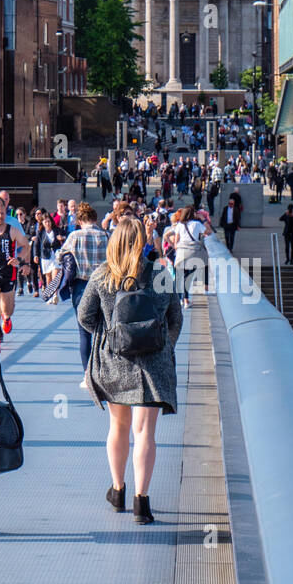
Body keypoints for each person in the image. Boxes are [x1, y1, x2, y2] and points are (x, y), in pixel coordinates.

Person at [77, 219, 183, 525]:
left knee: (118, 428)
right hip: (152, 366)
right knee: (145, 433)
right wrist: (164, 346)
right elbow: (175, 318)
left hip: (114, 363)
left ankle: (118, 490)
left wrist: (110, 336)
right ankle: (142, 501)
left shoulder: (102, 276)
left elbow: (85, 317)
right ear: (143, 241)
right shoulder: (161, 273)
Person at [59, 203, 110, 388]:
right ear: (95, 219)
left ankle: (88, 375)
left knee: (84, 332)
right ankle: (103, 371)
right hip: (104, 285)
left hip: (81, 286)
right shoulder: (106, 235)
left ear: (80, 221)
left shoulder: (75, 236)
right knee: (103, 330)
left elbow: (61, 256)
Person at [0, 196, 31, 339]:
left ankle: (6, 318)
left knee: (7, 309)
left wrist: (20, 260)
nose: (0, 216)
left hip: (9, 273)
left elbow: (26, 246)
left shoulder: (12, 230)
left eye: (2, 213)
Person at [165, 204, 212, 310]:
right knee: (189, 275)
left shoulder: (179, 225)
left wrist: (175, 247)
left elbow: (176, 240)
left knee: (182, 275)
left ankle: (182, 299)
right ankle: (186, 299)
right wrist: (203, 220)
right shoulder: (196, 224)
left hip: (181, 253)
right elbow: (209, 232)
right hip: (194, 252)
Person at [35, 212, 63, 297]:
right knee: (48, 278)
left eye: (49, 221)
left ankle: (55, 295)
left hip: (55, 256)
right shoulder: (40, 233)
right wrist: (36, 255)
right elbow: (36, 244)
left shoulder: (56, 230)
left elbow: (66, 234)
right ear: (42, 223)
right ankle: (49, 295)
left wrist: (62, 238)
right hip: (45, 257)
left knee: (55, 275)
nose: (47, 224)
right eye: (45, 222)